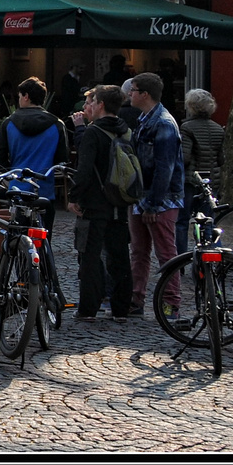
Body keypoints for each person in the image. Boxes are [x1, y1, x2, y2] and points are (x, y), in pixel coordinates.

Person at [68, 85, 135, 321]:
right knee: (119, 257)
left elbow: (84, 170)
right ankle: (121, 309)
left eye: (93, 101)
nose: (90, 105)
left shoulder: (93, 133)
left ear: (101, 105)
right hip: (120, 202)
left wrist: (73, 197)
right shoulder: (126, 130)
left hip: (95, 204)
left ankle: (88, 309)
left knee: (90, 256)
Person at [127, 72, 183, 319]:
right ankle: (136, 299)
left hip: (160, 199)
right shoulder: (145, 119)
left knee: (165, 253)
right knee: (139, 251)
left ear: (145, 94)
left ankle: (170, 304)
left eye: (134, 90)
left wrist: (153, 204)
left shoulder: (163, 123)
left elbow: (165, 167)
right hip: (143, 196)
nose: (129, 93)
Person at [0, 76, 69, 231]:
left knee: (17, 237)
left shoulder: (9, 123)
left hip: (17, 188)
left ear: (26, 97)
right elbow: (62, 159)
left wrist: (9, 174)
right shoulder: (57, 124)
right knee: (44, 238)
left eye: (19, 96)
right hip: (45, 190)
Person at [177, 89, 227, 254]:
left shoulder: (187, 127)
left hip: (190, 181)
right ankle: (211, 255)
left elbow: (184, 158)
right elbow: (221, 160)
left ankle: (181, 260)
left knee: (182, 221)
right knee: (208, 220)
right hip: (212, 181)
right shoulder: (218, 129)